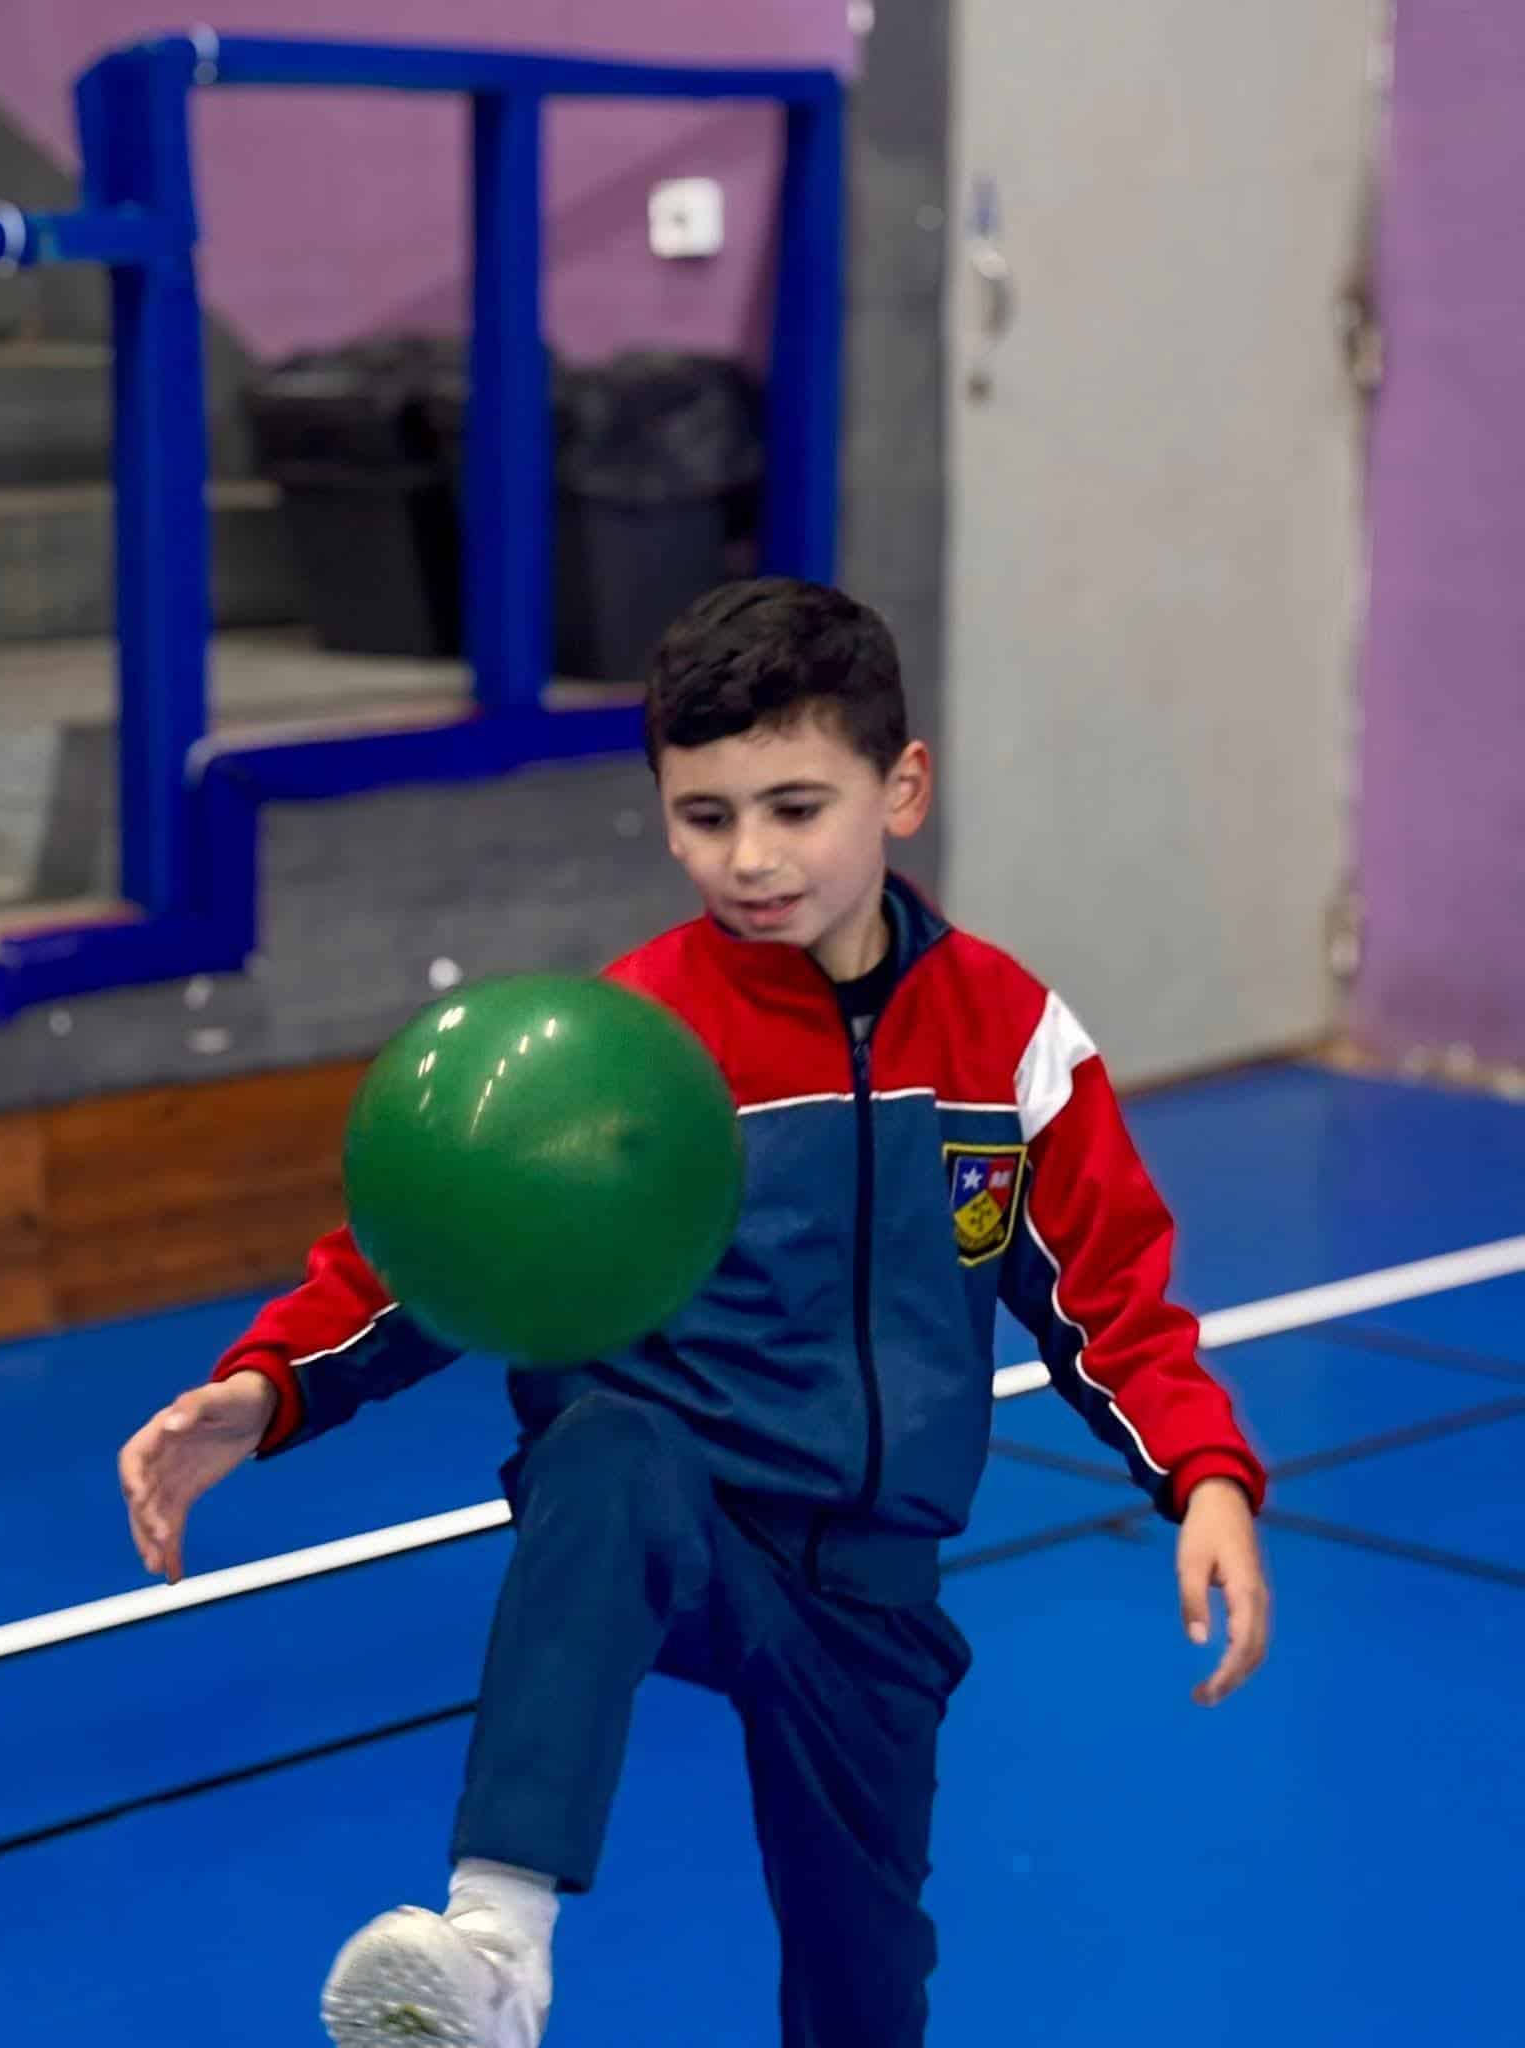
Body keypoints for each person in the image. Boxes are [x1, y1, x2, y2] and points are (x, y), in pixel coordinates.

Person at [118, 578, 1270, 2048]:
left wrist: (1206, 1476)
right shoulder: (632, 1043)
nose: (751, 856)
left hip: (871, 1588)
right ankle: (496, 1946)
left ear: (901, 788)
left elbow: (1114, 1298)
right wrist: (268, 1387)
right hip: (688, 1525)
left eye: (796, 807)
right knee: (606, 1451)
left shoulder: (1010, 1037)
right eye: (706, 815)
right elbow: (443, 1240)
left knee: (867, 1981)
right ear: (664, 814)